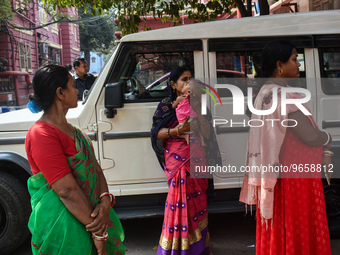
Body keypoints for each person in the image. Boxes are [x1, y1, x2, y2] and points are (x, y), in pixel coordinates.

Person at [239, 40, 332, 255]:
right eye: (294, 59)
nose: (298, 64)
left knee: (281, 229)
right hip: (295, 181)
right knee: (296, 225)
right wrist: (327, 137)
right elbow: (309, 136)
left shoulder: (265, 92)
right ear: (279, 65)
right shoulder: (284, 94)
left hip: (278, 177)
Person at [25, 65, 125, 255]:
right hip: (64, 225)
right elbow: (66, 191)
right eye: (72, 85)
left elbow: (95, 168)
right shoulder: (41, 134)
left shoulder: (75, 131)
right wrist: (97, 232)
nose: (77, 90)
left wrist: (104, 201)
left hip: (91, 216)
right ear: (60, 93)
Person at [151, 66, 221, 255]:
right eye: (184, 79)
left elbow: (207, 134)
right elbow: (156, 133)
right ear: (173, 85)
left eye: (191, 78)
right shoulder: (166, 106)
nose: (188, 82)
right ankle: (177, 250)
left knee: (198, 204)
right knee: (178, 205)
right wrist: (177, 132)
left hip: (198, 161)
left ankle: (199, 248)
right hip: (178, 162)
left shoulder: (199, 103)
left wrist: (197, 109)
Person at [172, 78, 206, 146]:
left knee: (176, 131)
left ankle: (185, 136)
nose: (185, 84)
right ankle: (202, 141)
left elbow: (174, 106)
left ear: (189, 91)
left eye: (186, 85)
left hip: (183, 121)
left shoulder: (180, 98)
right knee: (198, 130)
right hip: (194, 118)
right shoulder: (194, 99)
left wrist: (174, 104)